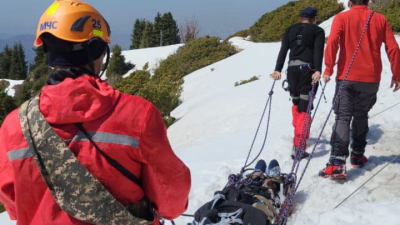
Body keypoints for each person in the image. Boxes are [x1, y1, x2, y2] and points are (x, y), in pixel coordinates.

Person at [0, 1, 191, 224]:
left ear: (48, 51)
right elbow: (172, 199)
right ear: (98, 50)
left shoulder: (14, 125)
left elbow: (13, 202)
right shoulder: (138, 115)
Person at [319, 0, 400, 179]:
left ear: (349, 2)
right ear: (368, 2)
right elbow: (393, 48)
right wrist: (397, 74)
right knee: (361, 114)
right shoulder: (380, 19)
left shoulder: (342, 18)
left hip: (347, 76)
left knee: (343, 116)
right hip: (371, 78)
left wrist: (328, 68)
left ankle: (337, 163)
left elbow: (332, 42)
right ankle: (357, 154)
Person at [271, 7, 325, 160]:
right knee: (304, 107)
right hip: (307, 70)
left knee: (296, 104)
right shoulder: (317, 31)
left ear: (301, 18)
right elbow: (318, 51)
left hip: (292, 70)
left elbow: (283, 50)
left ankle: (299, 137)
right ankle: (299, 146)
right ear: (314, 18)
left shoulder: (290, 29)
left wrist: (277, 69)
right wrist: (318, 70)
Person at [190, 159, 294, 225]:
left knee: (243, 192)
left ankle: (256, 177)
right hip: (258, 205)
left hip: (237, 202)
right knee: (268, 192)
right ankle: (271, 180)